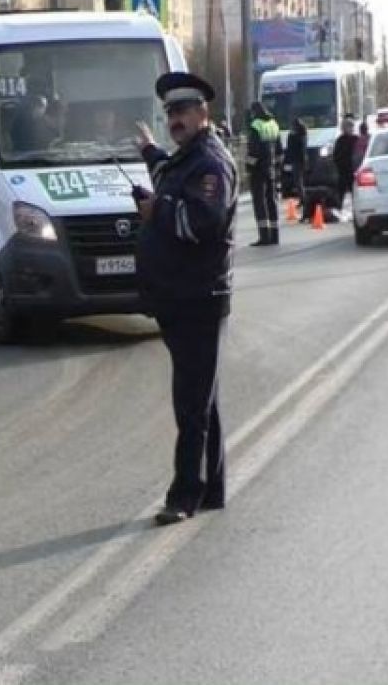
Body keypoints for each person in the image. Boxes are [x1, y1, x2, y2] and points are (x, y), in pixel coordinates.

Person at [132, 71, 237, 526]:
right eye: (170, 113)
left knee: (191, 402)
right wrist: (149, 151)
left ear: (202, 112)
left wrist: (157, 210)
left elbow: (201, 222)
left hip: (198, 298)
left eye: (182, 111)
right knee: (203, 398)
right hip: (180, 297)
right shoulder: (185, 159)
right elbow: (168, 174)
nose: (175, 119)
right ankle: (211, 488)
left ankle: (184, 496)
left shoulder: (210, 163)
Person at [246, 101, 282, 245]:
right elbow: (279, 150)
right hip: (271, 169)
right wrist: (277, 166)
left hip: (258, 170)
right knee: (271, 200)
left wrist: (248, 167)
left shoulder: (256, 126)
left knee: (260, 202)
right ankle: (274, 236)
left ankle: (264, 236)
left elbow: (253, 151)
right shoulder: (274, 124)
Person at [332, 116, 358, 213]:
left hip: (353, 170)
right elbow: (336, 155)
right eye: (347, 127)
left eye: (351, 127)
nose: (350, 129)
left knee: (354, 191)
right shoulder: (340, 140)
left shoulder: (356, 139)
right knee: (340, 190)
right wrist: (338, 166)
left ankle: (356, 209)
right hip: (343, 170)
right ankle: (339, 208)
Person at [283, 117, 308, 207]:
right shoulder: (302, 134)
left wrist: (291, 136)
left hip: (297, 161)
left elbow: (292, 148)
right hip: (300, 160)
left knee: (298, 181)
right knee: (298, 181)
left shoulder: (297, 136)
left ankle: (303, 199)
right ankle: (302, 198)